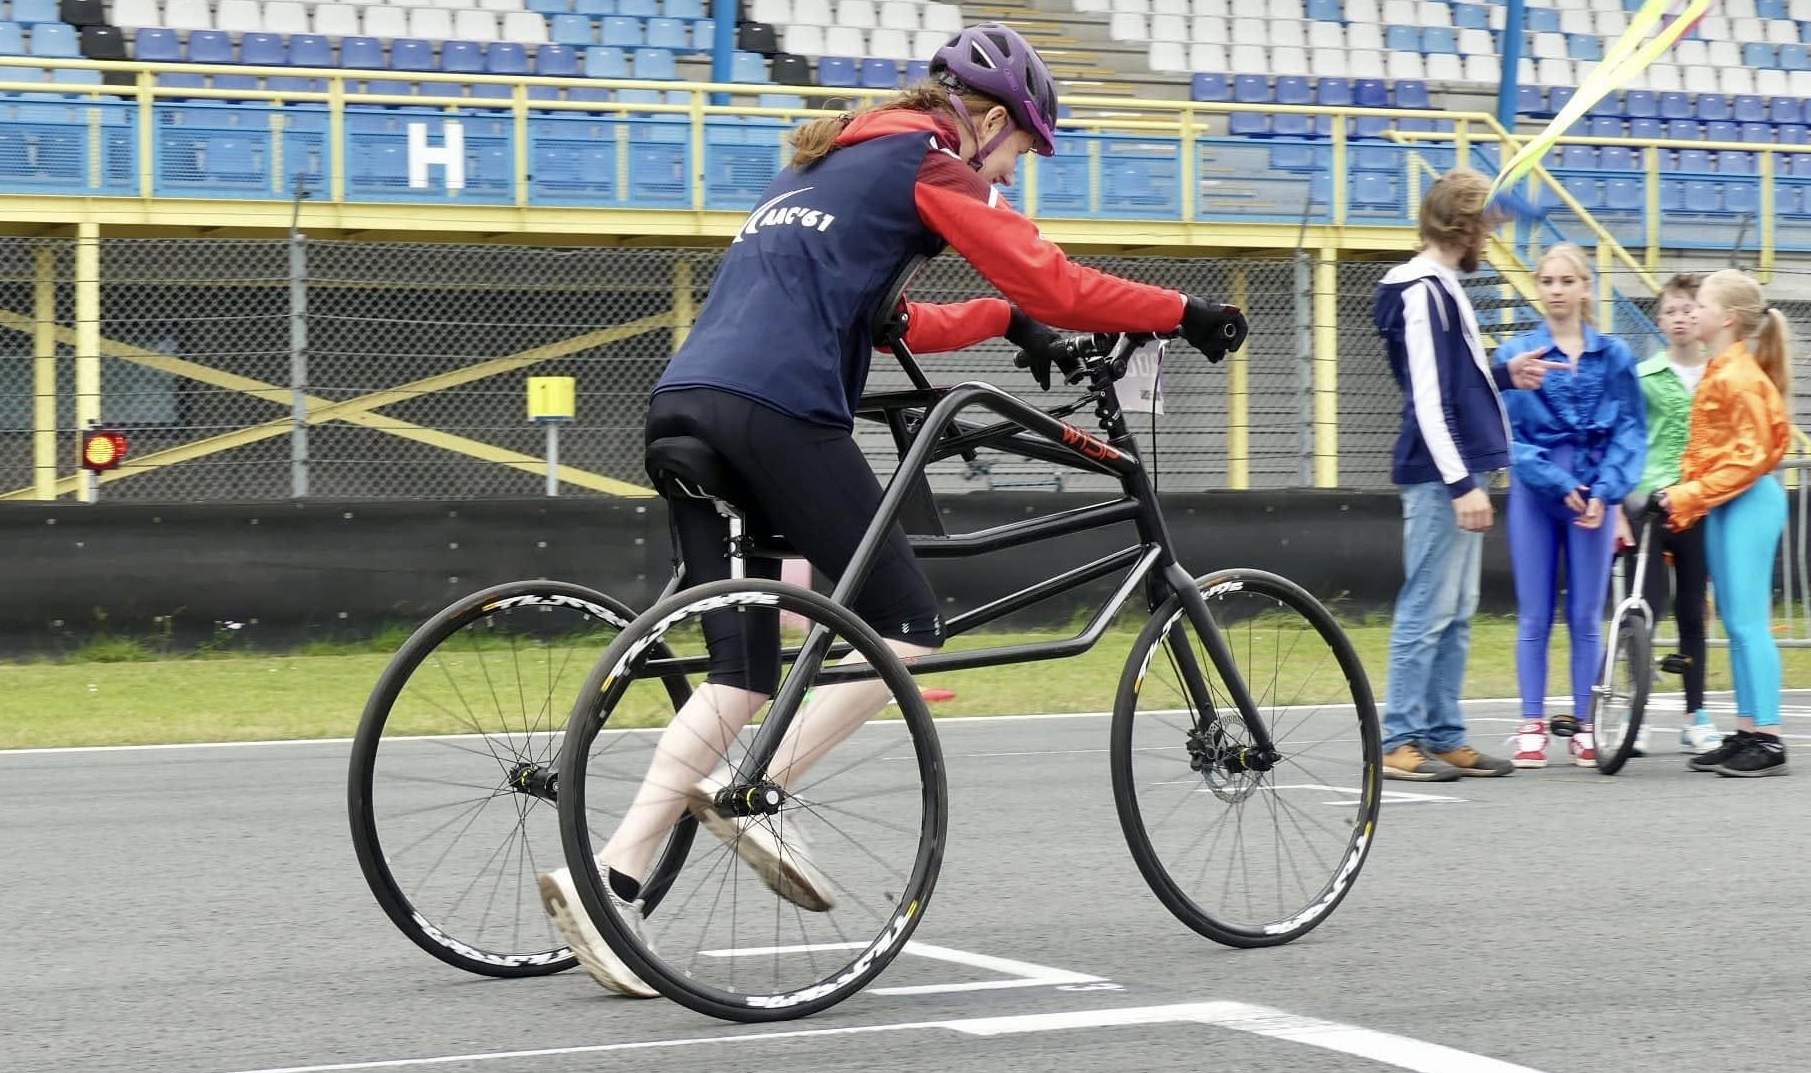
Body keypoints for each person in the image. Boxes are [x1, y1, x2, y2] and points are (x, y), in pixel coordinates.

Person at [538, 23, 1249, 998]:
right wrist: (1182, 312)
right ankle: (756, 791)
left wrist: (1006, 324)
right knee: (908, 621)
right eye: (1021, 148)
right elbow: (1051, 278)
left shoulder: (827, 163)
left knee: (739, 673)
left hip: (686, 403)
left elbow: (891, 321)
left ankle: (609, 884)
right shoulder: (928, 161)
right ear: (986, 120)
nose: (1016, 171)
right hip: (778, 410)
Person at [1372, 170, 1560, 782]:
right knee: (1427, 607)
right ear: (1464, 226)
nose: (1492, 236)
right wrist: (1460, 485)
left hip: (1454, 469)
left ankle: (1442, 734)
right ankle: (1399, 739)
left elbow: (1456, 380)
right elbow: (1428, 399)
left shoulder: (1442, 285)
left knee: (1455, 611)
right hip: (1439, 475)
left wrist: (1505, 376)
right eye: (1488, 225)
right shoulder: (1421, 290)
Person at [1492, 244, 1647, 769]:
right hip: (1537, 493)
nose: (1556, 290)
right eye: (1547, 281)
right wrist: (1556, 481)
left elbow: (1630, 430)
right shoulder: (1519, 353)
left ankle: (1587, 722)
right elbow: (1508, 435)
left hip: (1594, 495)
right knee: (1534, 612)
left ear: (1586, 288)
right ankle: (1531, 723)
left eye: (1566, 281)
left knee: (1585, 613)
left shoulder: (1615, 355)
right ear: (1537, 288)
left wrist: (1605, 492)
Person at [1649, 269, 1793, 778]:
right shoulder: (1722, 369)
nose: (1692, 312)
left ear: (1728, 318)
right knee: (1734, 622)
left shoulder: (1740, 375)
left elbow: (1749, 459)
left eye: (1702, 305)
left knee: (1749, 623)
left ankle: (1769, 738)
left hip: (1749, 501)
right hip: (1728, 503)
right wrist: (1687, 498)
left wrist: (1684, 495)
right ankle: (1748, 731)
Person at [1619, 273, 1718, 753]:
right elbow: (1626, 439)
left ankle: (1695, 714)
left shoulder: (1719, 374)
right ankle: (1633, 712)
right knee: (1644, 605)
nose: (1680, 318)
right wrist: (1623, 500)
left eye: (1689, 309)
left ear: (1703, 316)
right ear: (1659, 321)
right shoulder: (1643, 377)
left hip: (1696, 504)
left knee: (1692, 611)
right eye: (1671, 311)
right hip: (1649, 504)